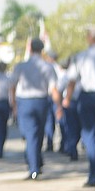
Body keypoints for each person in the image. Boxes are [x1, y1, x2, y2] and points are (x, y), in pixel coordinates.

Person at [63, 25, 95, 187]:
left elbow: (72, 80)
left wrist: (67, 99)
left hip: (87, 97)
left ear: (90, 37)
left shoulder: (81, 56)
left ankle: (94, 172)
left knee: (90, 135)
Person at [11, 38, 59, 180]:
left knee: (30, 135)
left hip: (25, 102)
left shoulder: (21, 66)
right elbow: (53, 89)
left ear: (30, 49)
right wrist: (59, 106)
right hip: (40, 101)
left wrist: (13, 105)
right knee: (37, 134)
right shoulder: (47, 66)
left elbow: (12, 86)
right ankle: (36, 161)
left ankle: (33, 167)